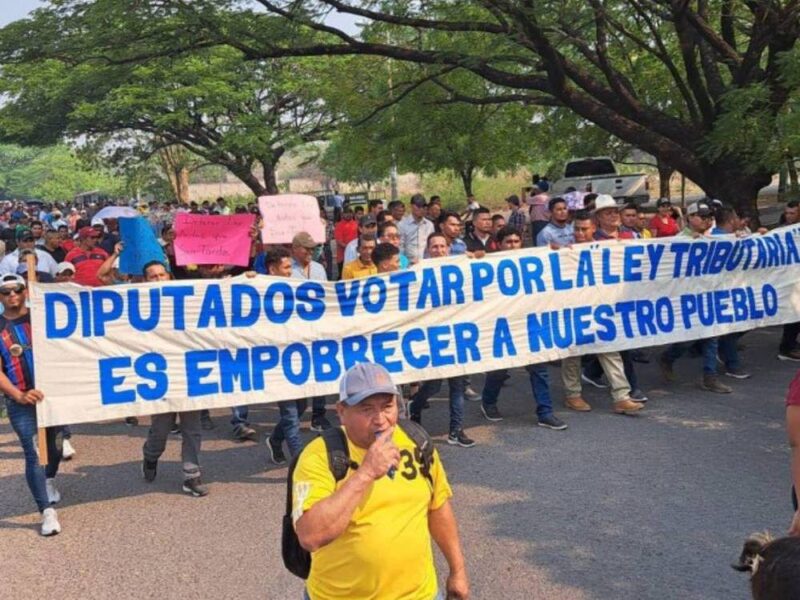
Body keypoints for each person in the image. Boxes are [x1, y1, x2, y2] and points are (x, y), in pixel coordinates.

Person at [292, 362, 470, 600]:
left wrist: (457, 571)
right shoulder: (319, 456)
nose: (380, 420)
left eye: (387, 407)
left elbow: (437, 507)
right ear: (341, 412)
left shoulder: (416, 441)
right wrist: (365, 473)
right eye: (366, 409)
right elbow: (310, 536)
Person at [480, 227, 567, 430]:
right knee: (499, 371)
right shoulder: (488, 265)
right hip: (502, 326)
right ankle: (489, 402)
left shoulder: (532, 262)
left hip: (530, 324)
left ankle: (545, 412)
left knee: (540, 370)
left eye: (516, 241)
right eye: (508, 242)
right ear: (499, 245)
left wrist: (559, 252)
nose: (512, 245)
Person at [562, 213, 645, 415]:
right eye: (576, 229)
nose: (579, 233)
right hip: (573, 308)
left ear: (593, 229)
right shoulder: (565, 252)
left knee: (610, 349)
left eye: (584, 229)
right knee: (572, 354)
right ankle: (573, 395)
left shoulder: (606, 250)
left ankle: (622, 397)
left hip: (600, 309)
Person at [0, 273, 64, 535]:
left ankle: (49, 479)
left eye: (17, 290)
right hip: (20, 400)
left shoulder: (42, 318)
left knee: (57, 446)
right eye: (6, 292)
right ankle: (46, 511)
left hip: (54, 396)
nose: (12, 295)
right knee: (33, 452)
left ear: (26, 291)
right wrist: (18, 395)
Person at [140, 260, 208, 497]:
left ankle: (191, 475)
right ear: (144, 281)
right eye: (153, 277)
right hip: (158, 377)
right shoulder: (135, 304)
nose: (158, 280)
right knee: (161, 427)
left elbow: (219, 295)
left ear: (169, 277)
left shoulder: (186, 300)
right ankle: (150, 455)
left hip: (188, 373)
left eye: (162, 275)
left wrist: (246, 278)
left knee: (192, 428)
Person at [408, 233, 476, 448]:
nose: (438, 250)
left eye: (442, 246)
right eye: (434, 247)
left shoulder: (460, 268)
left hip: (456, 334)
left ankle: (456, 431)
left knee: (457, 386)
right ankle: (415, 407)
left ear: (448, 248)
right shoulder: (419, 271)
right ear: (428, 250)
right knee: (434, 385)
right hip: (433, 336)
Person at [265, 248, 314, 464]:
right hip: (276, 361)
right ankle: (300, 463)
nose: (289, 272)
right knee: (291, 415)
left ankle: (275, 440)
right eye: (286, 268)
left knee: (301, 407)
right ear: (272, 269)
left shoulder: (294, 288)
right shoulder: (258, 289)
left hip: (297, 358)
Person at [291, 232, 332, 432]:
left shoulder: (318, 269)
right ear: (295, 248)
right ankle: (296, 412)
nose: (310, 252)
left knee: (320, 370)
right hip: (295, 328)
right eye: (306, 248)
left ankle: (319, 414)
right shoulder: (285, 269)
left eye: (312, 249)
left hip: (317, 327)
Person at [779, 202, 800, 361]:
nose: (789, 216)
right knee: (794, 314)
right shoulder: (780, 232)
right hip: (788, 280)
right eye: (787, 213)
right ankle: (787, 348)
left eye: (792, 213)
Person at [398, 194, 435, 265]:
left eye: (423, 206)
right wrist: (404, 264)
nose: (421, 209)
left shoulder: (429, 225)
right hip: (408, 265)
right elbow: (400, 247)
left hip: (427, 263)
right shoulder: (402, 225)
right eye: (418, 206)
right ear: (412, 206)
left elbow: (432, 244)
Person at [332, 206, 357, 278]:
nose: (348, 214)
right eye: (346, 213)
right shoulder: (339, 225)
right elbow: (339, 241)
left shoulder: (357, 224)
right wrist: (351, 249)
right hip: (342, 257)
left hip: (356, 256)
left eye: (350, 212)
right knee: (343, 277)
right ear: (342, 214)